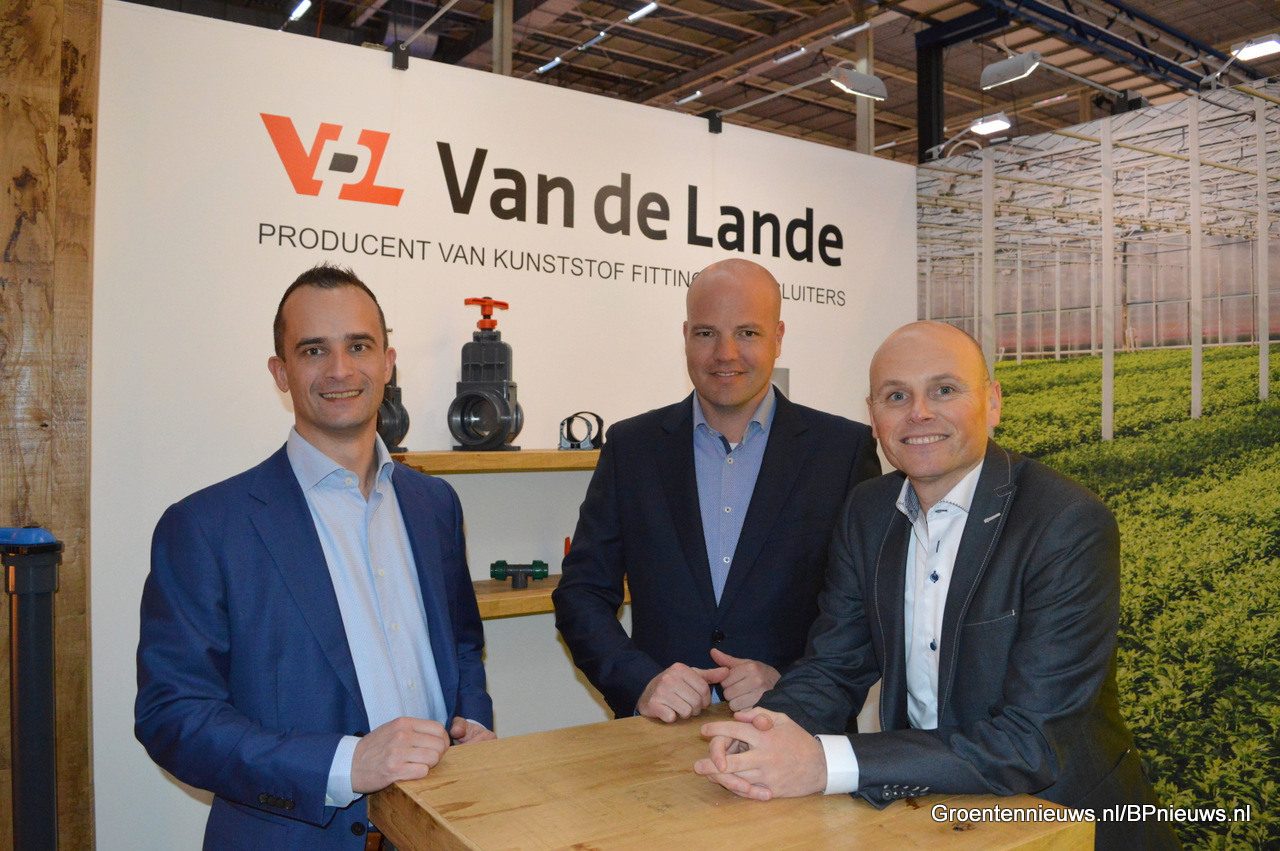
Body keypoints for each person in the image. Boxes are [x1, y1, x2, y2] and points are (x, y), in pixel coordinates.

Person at [696, 320, 1178, 850]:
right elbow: (835, 665)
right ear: (873, 416)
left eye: (944, 390)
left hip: (1061, 821)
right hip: (926, 815)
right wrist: (762, 732)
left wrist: (823, 762)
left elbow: (1031, 742)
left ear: (992, 403)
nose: (919, 413)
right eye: (896, 396)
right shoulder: (867, 511)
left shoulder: (1065, 523)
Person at [135, 264, 494, 849]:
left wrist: (471, 721)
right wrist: (345, 763)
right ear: (281, 372)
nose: (340, 370)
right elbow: (174, 716)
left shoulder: (435, 504)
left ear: (388, 362)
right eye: (313, 350)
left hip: (437, 826)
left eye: (359, 346)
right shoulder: (205, 527)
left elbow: (460, 644)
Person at [552, 258, 881, 722]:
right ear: (686, 336)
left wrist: (790, 685)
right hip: (659, 735)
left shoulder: (843, 451)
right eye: (707, 333)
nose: (725, 353)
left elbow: (864, 612)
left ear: (778, 338)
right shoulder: (632, 448)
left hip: (796, 732)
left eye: (747, 333)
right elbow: (581, 593)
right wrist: (641, 682)